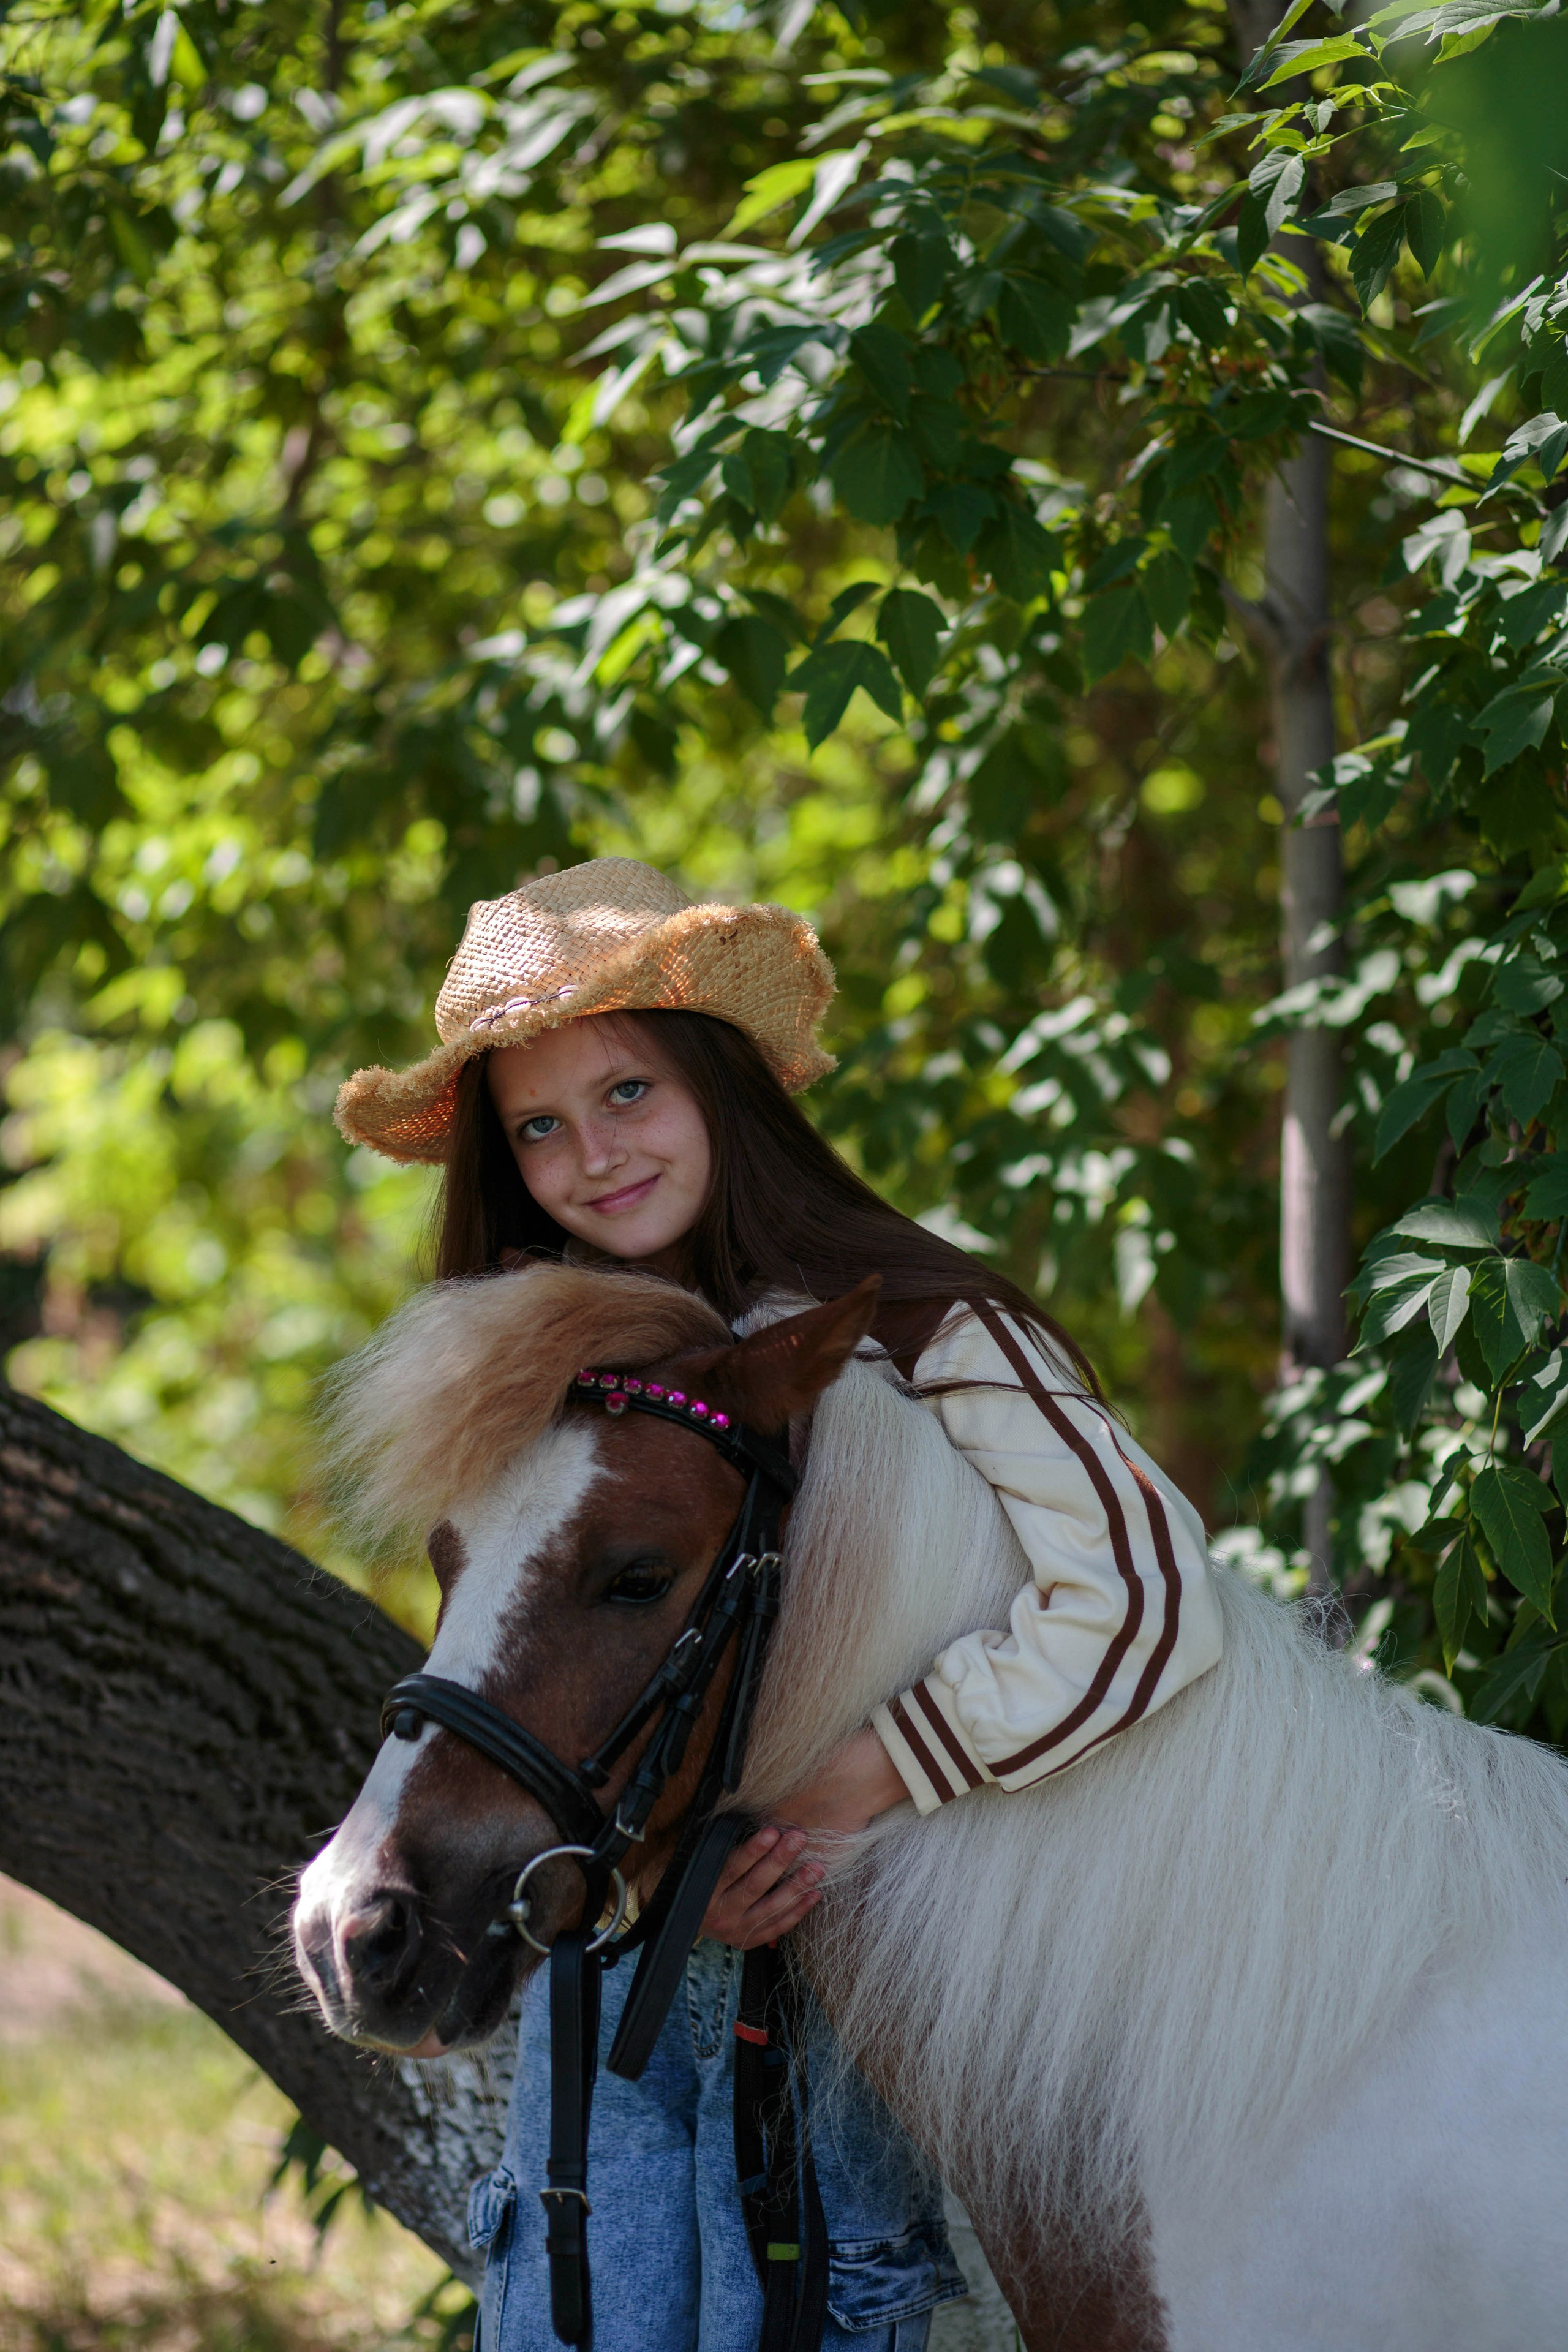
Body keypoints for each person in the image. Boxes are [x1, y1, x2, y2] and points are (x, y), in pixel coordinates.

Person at [336, 857, 1224, 2352]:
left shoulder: (924, 1318)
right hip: (617, 1998)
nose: (589, 1157)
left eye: (626, 1095)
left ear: (719, 1088)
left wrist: (849, 1788)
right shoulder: (546, 1383)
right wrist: (642, 1882)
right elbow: (556, 1687)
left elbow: (1139, 1596)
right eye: (537, 1127)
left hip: (892, 1970)